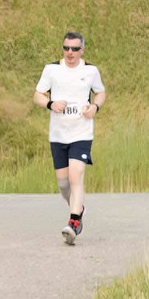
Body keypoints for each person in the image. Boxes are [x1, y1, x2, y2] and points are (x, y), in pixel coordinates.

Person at [34, 31, 105, 245]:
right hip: (58, 134)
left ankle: (74, 222)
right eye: (66, 48)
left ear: (82, 50)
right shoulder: (51, 69)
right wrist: (50, 104)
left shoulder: (90, 71)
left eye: (74, 49)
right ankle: (78, 208)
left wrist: (95, 107)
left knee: (76, 175)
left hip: (81, 133)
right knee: (63, 184)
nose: (70, 53)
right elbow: (37, 95)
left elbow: (100, 92)